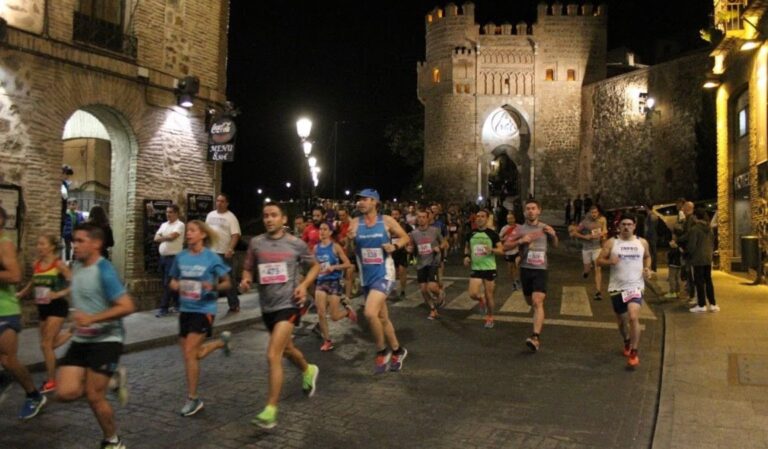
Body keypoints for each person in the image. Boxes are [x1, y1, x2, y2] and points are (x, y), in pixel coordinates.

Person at [239, 202, 320, 429]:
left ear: (284, 219)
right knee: (287, 349)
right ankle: (308, 369)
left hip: (289, 304)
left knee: (273, 354)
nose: (269, 219)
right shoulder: (256, 243)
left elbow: (315, 266)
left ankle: (271, 410)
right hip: (268, 307)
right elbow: (247, 268)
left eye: (274, 215)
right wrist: (245, 279)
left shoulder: (296, 244)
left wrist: (303, 286)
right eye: (265, 216)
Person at [56, 223, 136, 449]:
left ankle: (113, 441)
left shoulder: (105, 270)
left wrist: (93, 319)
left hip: (107, 339)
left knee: (93, 396)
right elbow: (82, 297)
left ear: (96, 243)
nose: (75, 245)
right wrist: (72, 326)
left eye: (80, 241)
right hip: (82, 338)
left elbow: (127, 306)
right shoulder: (77, 267)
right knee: (65, 392)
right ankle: (112, 379)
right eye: (74, 240)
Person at [169, 220, 233, 416]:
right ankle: (221, 343)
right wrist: (175, 285)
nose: (188, 234)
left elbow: (227, 283)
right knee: (193, 355)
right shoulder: (180, 257)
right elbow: (172, 279)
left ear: (203, 235)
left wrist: (212, 287)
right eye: (187, 231)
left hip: (205, 309)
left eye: (192, 231)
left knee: (189, 353)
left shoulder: (211, 258)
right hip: (186, 310)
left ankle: (193, 398)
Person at [347, 189, 409, 374]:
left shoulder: (387, 221)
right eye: (358, 200)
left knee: (369, 312)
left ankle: (382, 351)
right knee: (382, 318)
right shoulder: (355, 223)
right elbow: (350, 249)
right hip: (366, 277)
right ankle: (398, 350)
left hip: (384, 273)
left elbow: (405, 237)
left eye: (364, 199)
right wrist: (349, 241)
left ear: (374, 202)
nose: (360, 203)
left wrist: (394, 245)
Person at [0, 207, 48, 420]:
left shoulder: (4, 244)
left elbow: (15, 275)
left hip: (4, 311)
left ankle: (33, 395)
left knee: (8, 360)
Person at [16, 234, 72, 394]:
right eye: (38, 244)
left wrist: (59, 293)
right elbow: (33, 281)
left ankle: (52, 381)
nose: (38, 247)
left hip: (58, 307)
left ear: (51, 247)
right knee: (48, 345)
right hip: (42, 308)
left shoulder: (59, 265)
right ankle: (72, 332)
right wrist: (22, 293)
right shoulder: (37, 264)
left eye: (42, 244)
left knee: (45, 345)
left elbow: (73, 284)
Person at [596, 214, 652, 368]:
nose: (626, 227)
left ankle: (634, 353)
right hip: (617, 288)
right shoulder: (612, 242)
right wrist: (609, 261)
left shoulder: (642, 242)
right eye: (623, 224)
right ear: (619, 227)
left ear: (634, 226)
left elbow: (647, 257)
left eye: (629, 224)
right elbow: (598, 261)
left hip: (635, 286)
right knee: (621, 322)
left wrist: (647, 268)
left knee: (633, 317)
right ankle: (627, 340)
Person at [505, 199, 558, 352]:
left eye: (533, 208)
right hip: (525, 269)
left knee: (537, 301)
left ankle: (535, 337)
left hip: (541, 269)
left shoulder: (545, 228)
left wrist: (553, 235)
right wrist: (521, 240)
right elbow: (506, 245)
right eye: (527, 208)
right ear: (524, 212)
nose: (530, 211)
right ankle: (535, 314)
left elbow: (555, 245)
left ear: (539, 211)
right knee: (530, 302)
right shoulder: (519, 229)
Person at [314, 222, 356, 351]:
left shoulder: (335, 247)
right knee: (321, 313)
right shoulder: (316, 248)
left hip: (334, 282)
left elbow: (348, 264)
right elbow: (316, 265)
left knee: (334, 316)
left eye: (325, 229)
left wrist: (334, 267)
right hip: (321, 282)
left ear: (330, 232)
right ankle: (327, 341)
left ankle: (348, 313)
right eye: (320, 229)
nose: (322, 232)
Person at [464, 209, 504, 329]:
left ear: (487, 219)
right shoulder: (471, 233)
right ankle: (480, 299)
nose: (479, 218)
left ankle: (490, 317)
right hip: (476, 267)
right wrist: (466, 256)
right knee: (472, 294)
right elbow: (467, 247)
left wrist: (491, 250)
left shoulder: (492, 234)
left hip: (489, 268)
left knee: (489, 295)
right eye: (477, 216)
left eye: (482, 216)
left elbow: (501, 250)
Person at [408, 209, 447, 320]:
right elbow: (411, 247)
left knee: (432, 286)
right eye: (419, 217)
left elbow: (444, 242)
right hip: (421, 263)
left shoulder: (435, 230)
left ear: (428, 218)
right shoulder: (413, 233)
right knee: (423, 290)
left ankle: (440, 293)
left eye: (423, 217)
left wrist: (439, 247)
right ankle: (433, 309)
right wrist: (409, 249)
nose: (421, 219)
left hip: (433, 261)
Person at [205, 194, 242, 313]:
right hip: (211, 253)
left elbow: (235, 235)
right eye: (217, 201)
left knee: (228, 279)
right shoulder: (210, 215)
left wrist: (230, 249)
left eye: (222, 201)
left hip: (224, 253)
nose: (219, 203)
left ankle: (234, 304)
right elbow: (206, 232)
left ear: (226, 203)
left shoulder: (231, 217)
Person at [571, 206, 607, 300]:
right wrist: (584, 237)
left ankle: (598, 292)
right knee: (587, 269)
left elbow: (605, 230)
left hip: (597, 248)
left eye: (595, 212)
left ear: (598, 213)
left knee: (598, 269)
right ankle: (586, 272)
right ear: (589, 213)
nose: (594, 214)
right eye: (592, 212)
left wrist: (602, 235)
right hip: (586, 248)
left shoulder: (602, 220)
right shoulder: (585, 222)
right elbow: (574, 232)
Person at [154, 205, 185, 317]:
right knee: (168, 283)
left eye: (171, 212)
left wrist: (163, 237)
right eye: (167, 212)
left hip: (174, 258)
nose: (168, 214)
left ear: (176, 213)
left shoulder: (180, 225)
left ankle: (163, 308)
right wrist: (165, 237)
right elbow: (155, 237)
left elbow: (173, 236)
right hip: (163, 258)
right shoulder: (164, 225)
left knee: (168, 283)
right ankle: (178, 305)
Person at [687, 208, 719, 313]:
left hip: (697, 258)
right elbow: (713, 242)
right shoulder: (709, 228)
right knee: (708, 280)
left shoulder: (694, 229)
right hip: (707, 258)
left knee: (699, 282)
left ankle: (701, 304)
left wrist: (688, 253)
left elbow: (692, 246)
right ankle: (713, 304)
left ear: (696, 217)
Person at [390, 208, 413, 299]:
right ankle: (394, 289)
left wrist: (409, 246)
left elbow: (411, 236)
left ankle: (403, 290)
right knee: (393, 272)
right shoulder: (387, 226)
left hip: (402, 251)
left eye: (396, 214)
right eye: (393, 214)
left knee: (402, 271)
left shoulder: (405, 226)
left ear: (399, 215)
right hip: (392, 251)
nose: (395, 216)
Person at [499, 212, 521, 291]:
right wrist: (503, 239)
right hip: (508, 251)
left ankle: (517, 280)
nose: (510, 220)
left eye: (511, 218)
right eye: (508, 219)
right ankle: (514, 282)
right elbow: (499, 239)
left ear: (514, 219)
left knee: (516, 265)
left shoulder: (519, 227)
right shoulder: (504, 228)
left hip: (517, 250)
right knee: (510, 269)